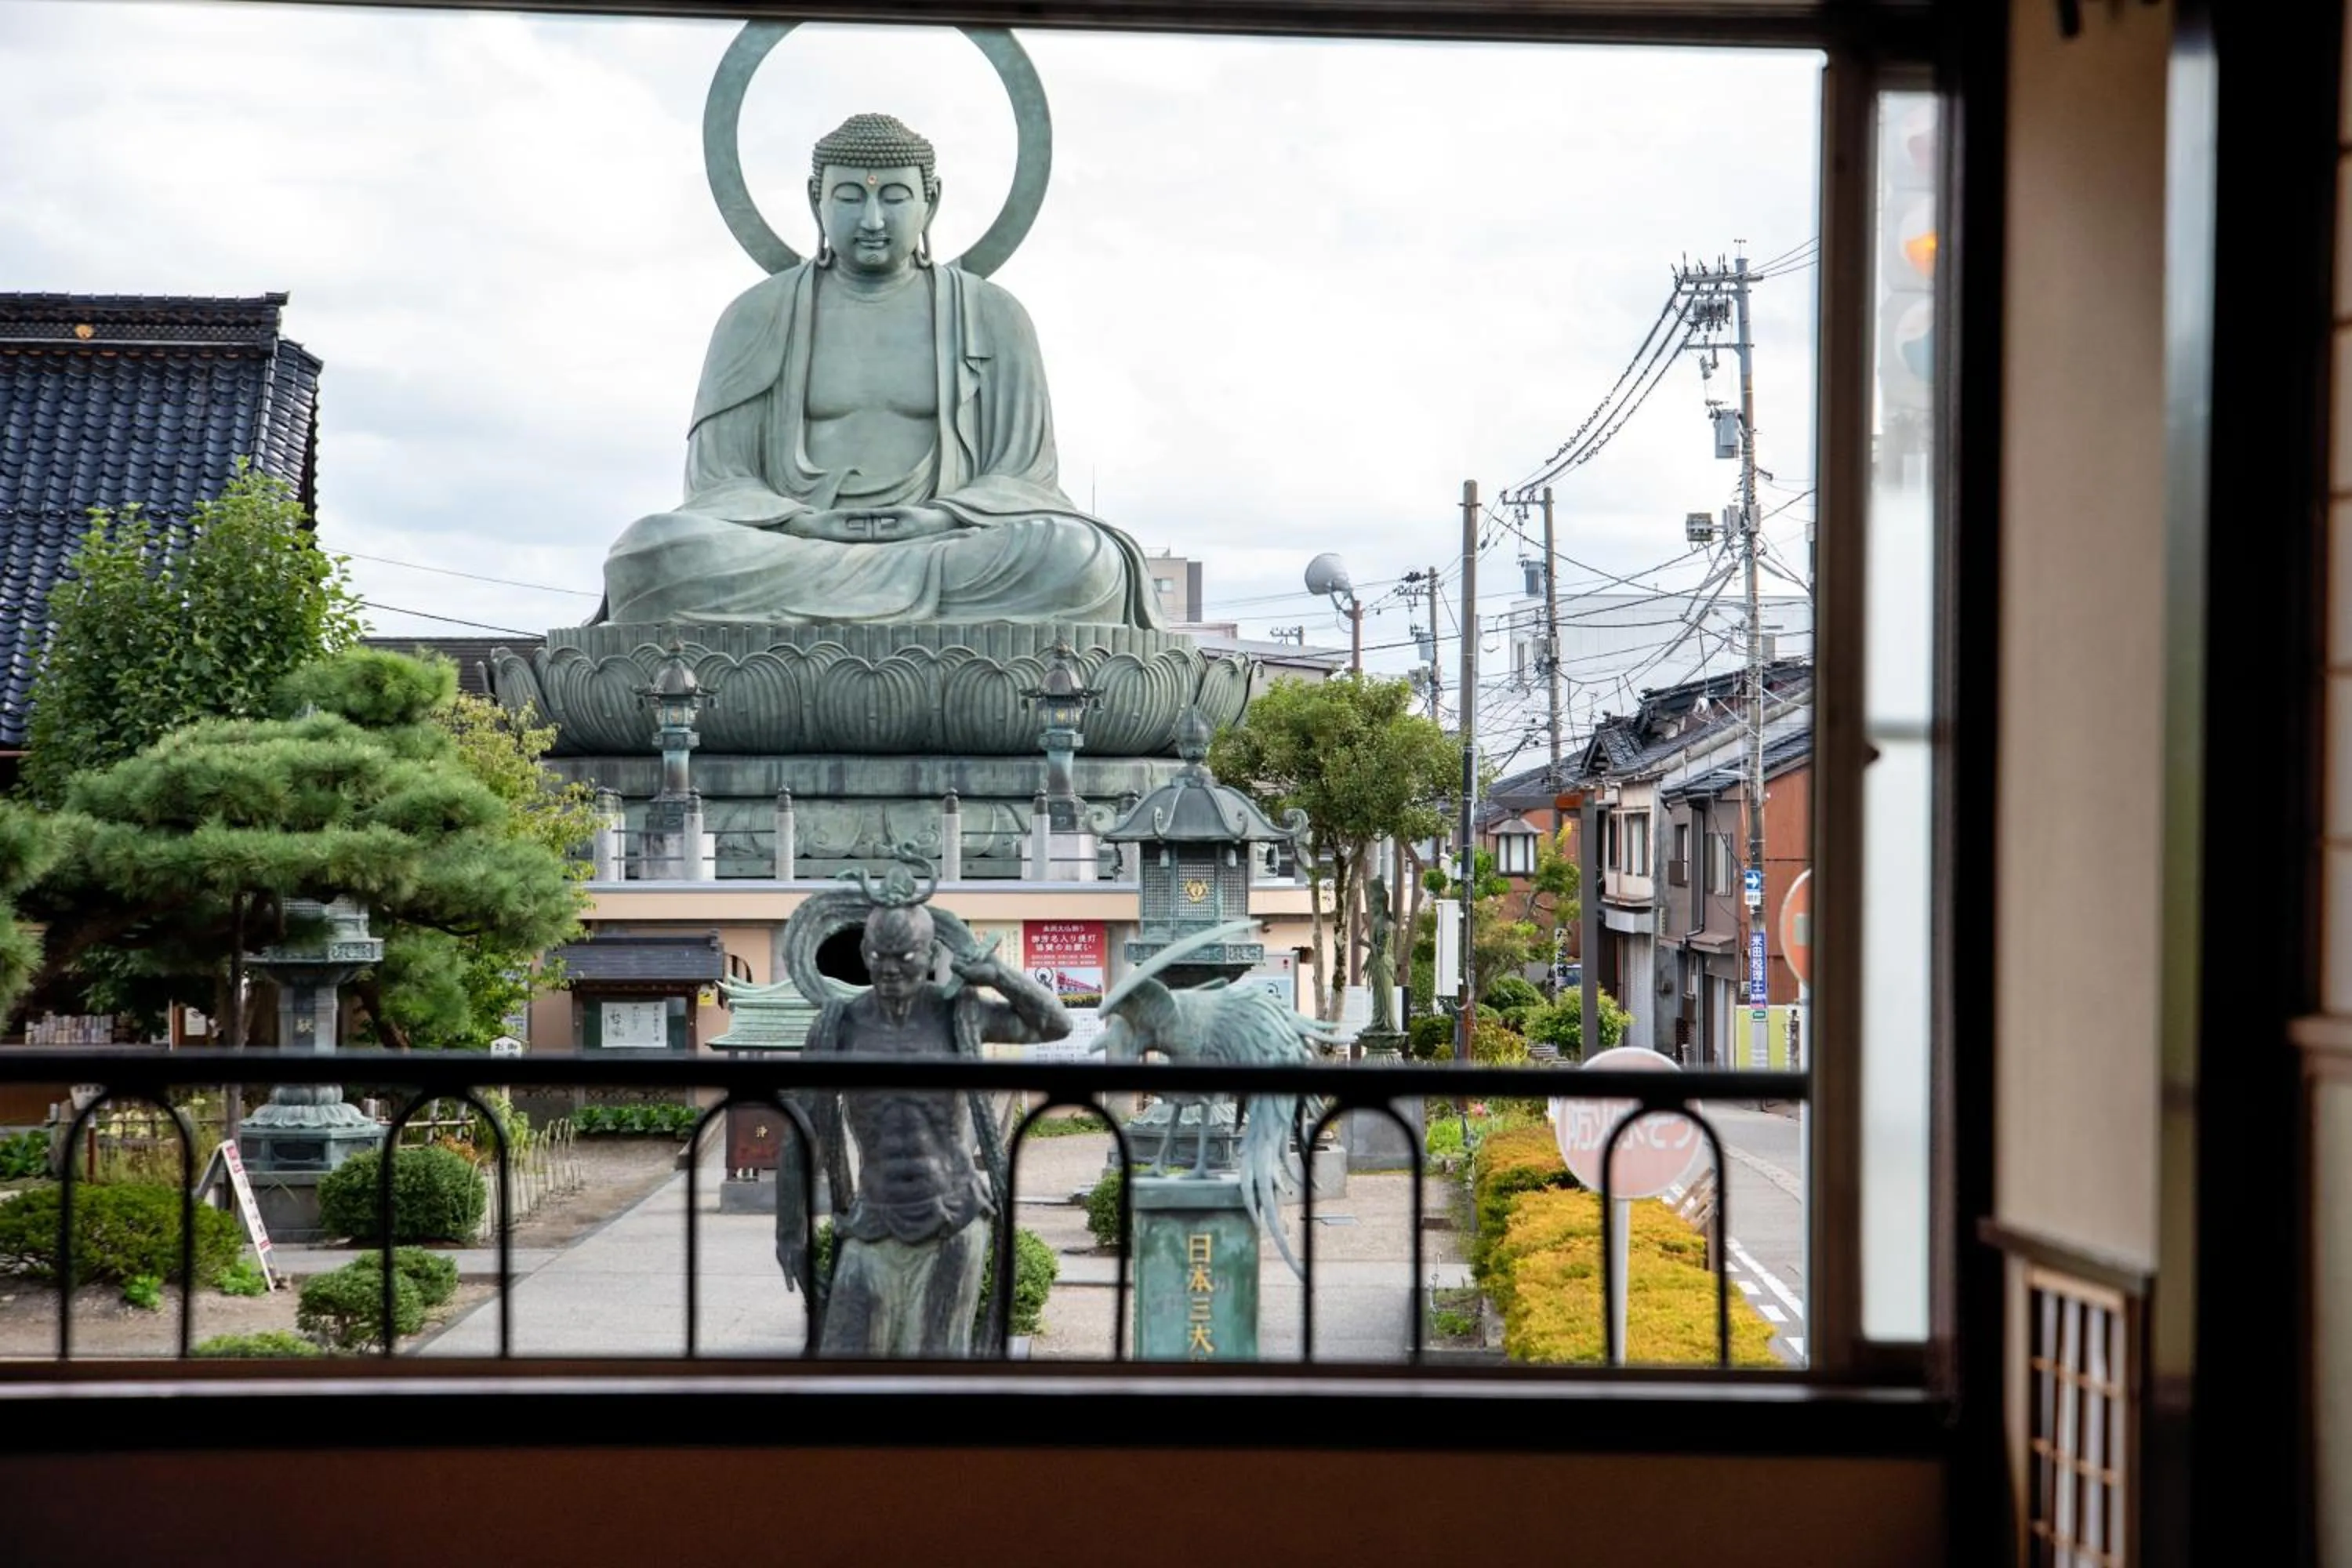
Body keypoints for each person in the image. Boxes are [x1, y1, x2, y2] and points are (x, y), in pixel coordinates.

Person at [601, 112, 1162, 628]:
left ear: (932, 201)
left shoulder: (993, 315)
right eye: (848, 198)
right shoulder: (756, 316)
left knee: (1079, 559)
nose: (871, 220)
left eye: (894, 198)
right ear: (815, 200)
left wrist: (942, 519)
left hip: (945, 549)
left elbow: (1024, 480)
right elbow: (719, 482)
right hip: (794, 545)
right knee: (652, 551)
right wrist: (798, 523)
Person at [777, 901, 1069, 1358]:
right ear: (864, 951)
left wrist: (999, 976)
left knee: (935, 1361)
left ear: (932, 954)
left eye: (905, 956)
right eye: (879, 956)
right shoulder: (841, 1026)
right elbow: (801, 1127)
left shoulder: (959, 1015)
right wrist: (789, 1231)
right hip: (873, 1215)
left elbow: (1055, 1025)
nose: (890, 969)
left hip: (952, 1215)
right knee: (843, 1352)